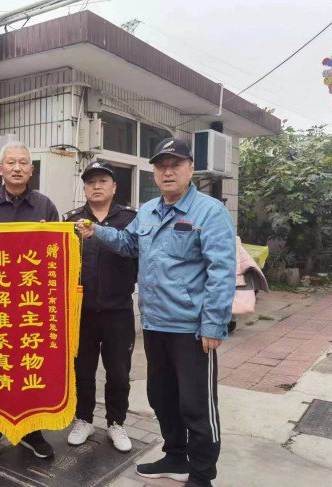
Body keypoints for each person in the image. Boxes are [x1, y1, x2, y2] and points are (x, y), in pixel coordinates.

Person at [77, 138, 236, 487]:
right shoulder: (148, 211)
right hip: (154, 323)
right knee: (162, 397)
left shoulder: (209, 212)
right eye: (161, 166)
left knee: (196, 405)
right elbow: (128, 244)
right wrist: (96, 231)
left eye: (175, 165)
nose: (168, 172)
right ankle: (176, 457)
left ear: (190, 169)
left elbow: (222, 271)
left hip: (192, 329)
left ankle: (202, 475)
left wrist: (214, 324)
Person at [0, 140, 59, 461]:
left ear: (32, 170)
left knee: (31, 367)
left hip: (31, 304)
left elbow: (58, 254)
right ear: (0, 169)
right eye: (11, 162)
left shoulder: (45, 206)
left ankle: (32, 431)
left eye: (23, 163)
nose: (17, 168)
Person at [62, 161, 137, 452]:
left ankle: (116, 422)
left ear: (114, 187)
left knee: (118, 372)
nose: (96, 186)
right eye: (91, 182)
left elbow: (138, 255)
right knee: (82, 370)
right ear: (84, 188)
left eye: (103, 181)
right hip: (81, 312)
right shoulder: (70, 220)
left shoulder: (130, 219)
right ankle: (83, 419)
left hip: (118, 310)